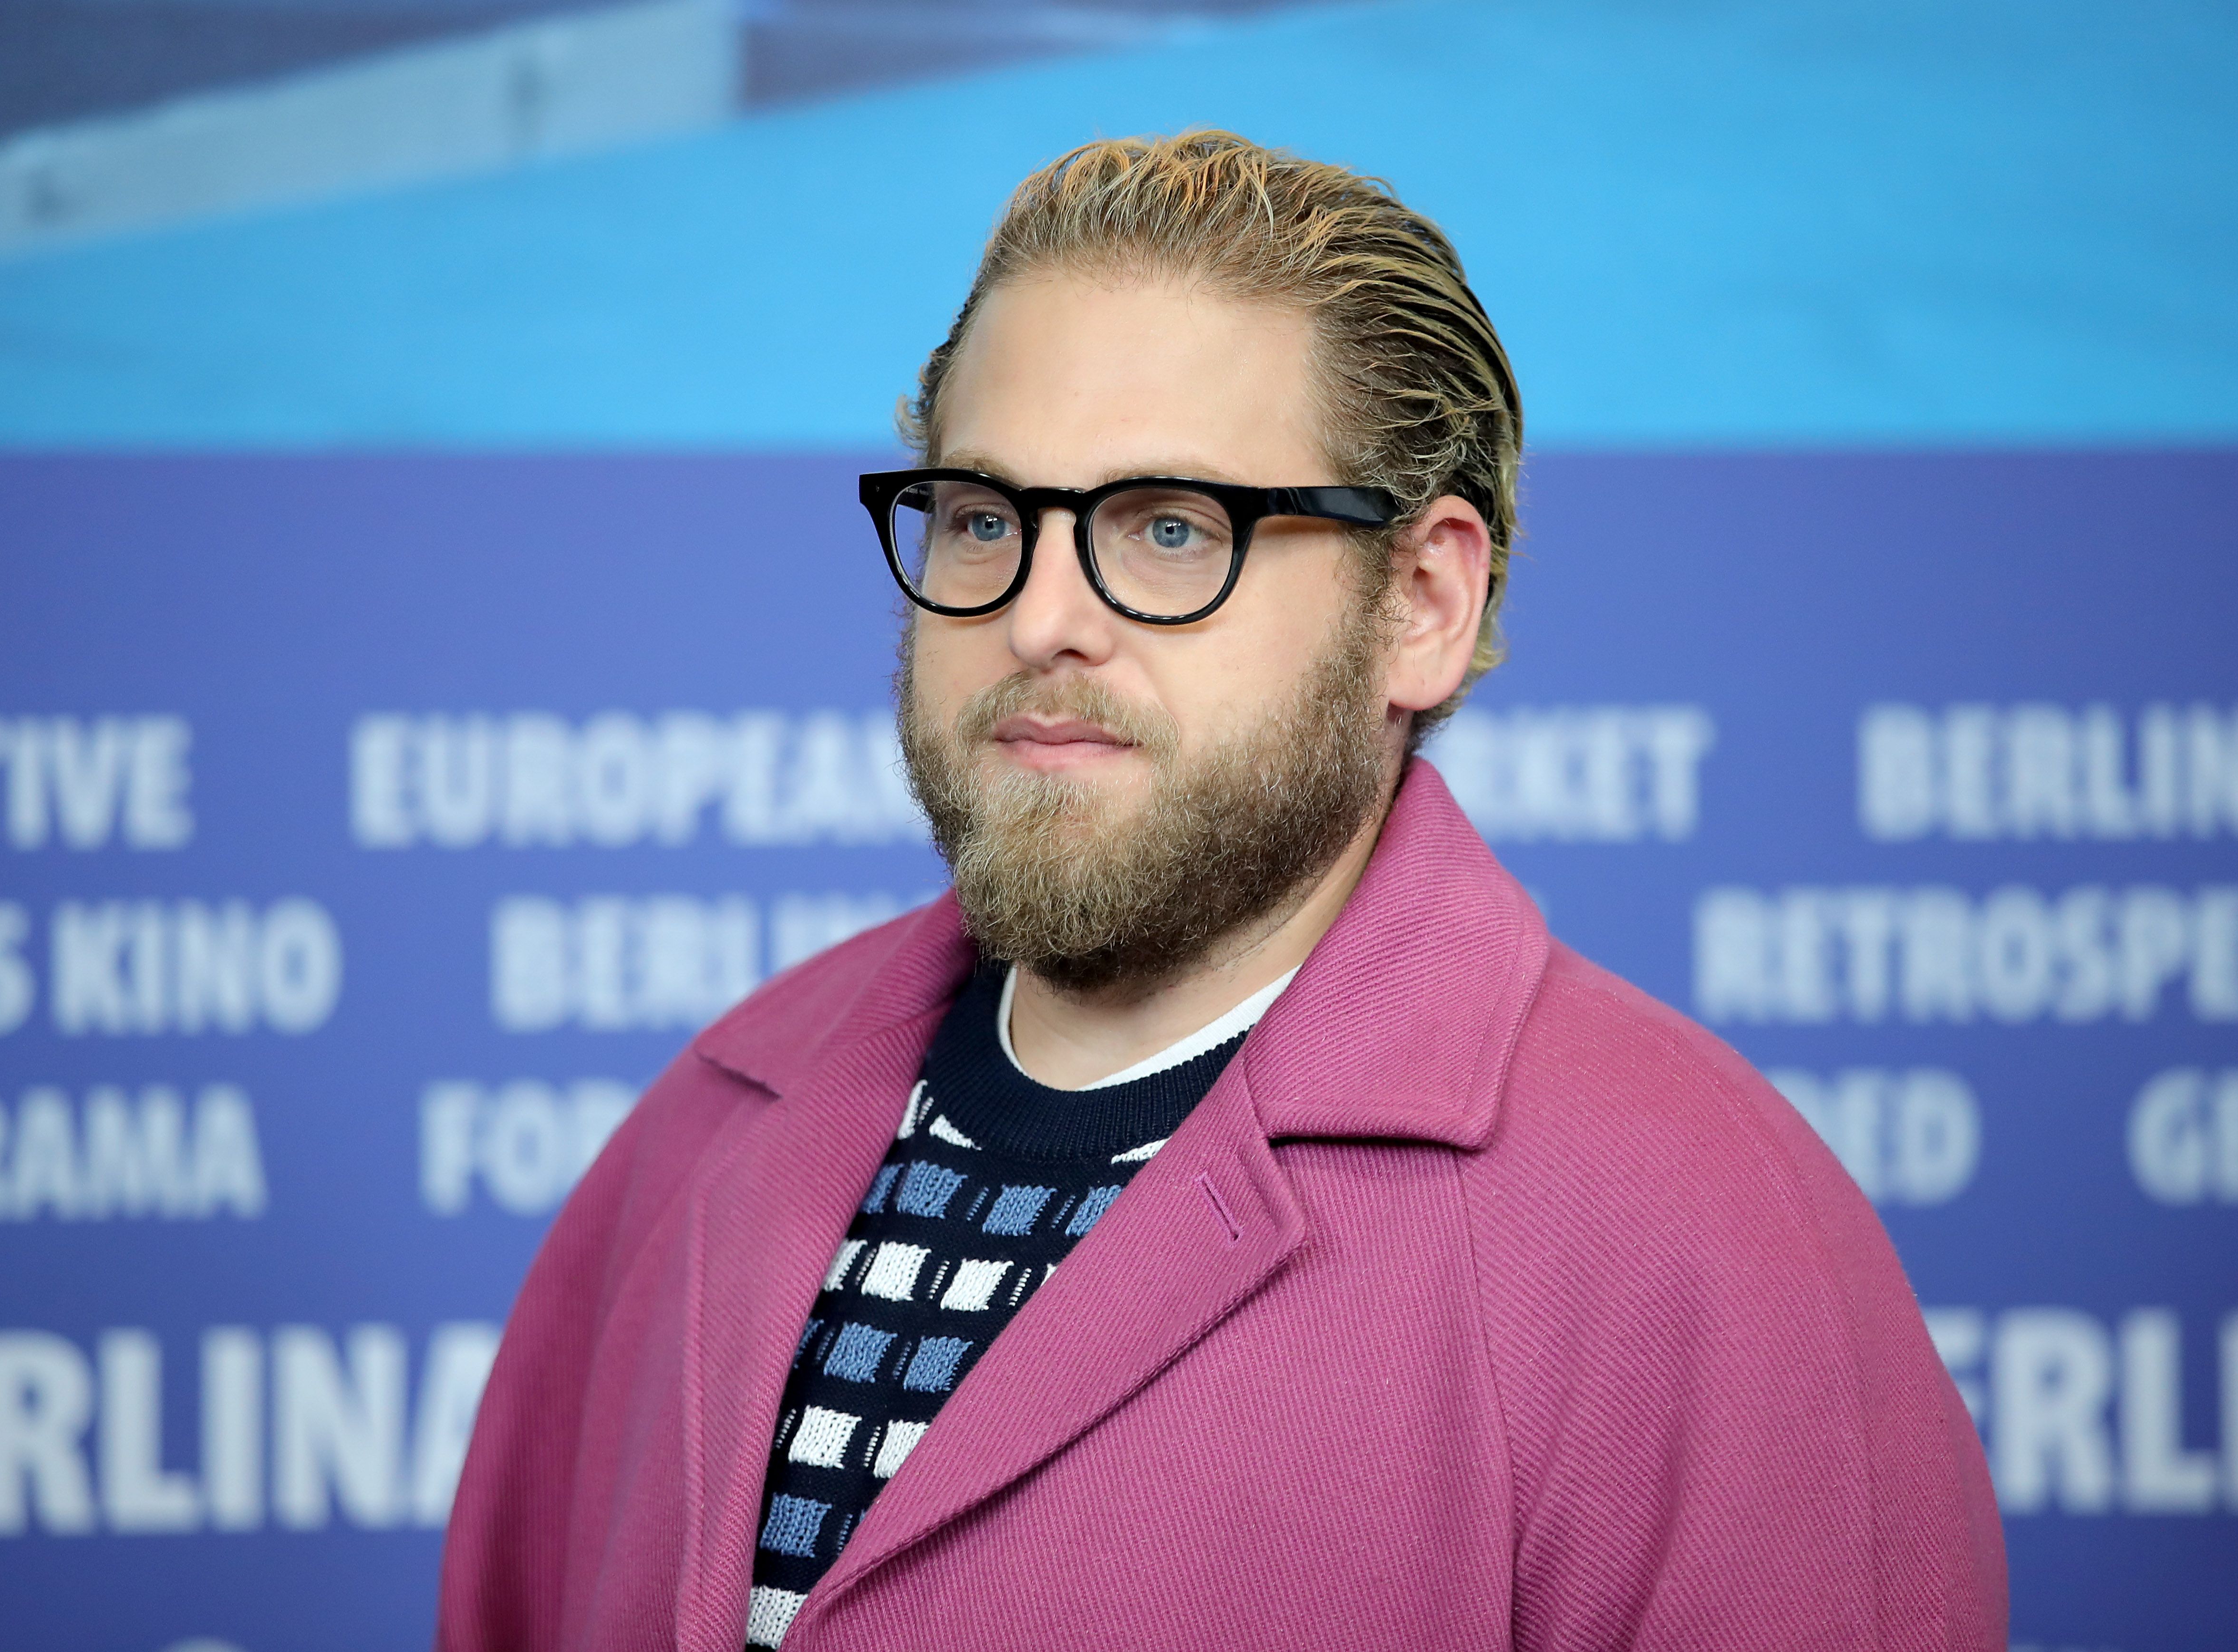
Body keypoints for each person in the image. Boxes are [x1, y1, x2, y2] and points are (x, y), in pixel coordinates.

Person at [437, 129, 2005, 1651]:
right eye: (985, 518)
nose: (1042, 614)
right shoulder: (704, 1128)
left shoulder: (1698, 1242)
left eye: (1171, 530)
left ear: (1424, 603)